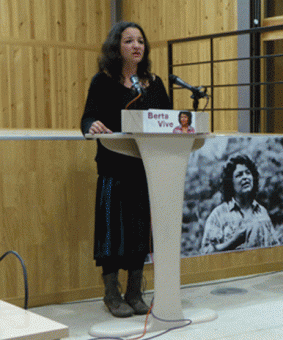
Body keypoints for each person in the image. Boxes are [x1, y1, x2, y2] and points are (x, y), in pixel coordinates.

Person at [80, 21, 172, 318]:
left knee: (138, 232)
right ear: (116, 47)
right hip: (113, 167)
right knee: (112, 233)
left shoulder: (154, 83)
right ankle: (111, 293)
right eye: (129, 41)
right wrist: (90, 125)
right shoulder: (102, 81)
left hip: (145, 168)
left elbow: (168, 120)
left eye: (141, 41)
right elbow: (88, 117)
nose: (136, 46)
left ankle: (135, 291)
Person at [200, 154, 276, 254]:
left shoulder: (262, 211)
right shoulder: (219, 214)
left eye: (248, 173)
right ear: (230, 183)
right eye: (239, 175)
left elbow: (275, 247)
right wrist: (232, 242)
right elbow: (205, 253)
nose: (245, 177)